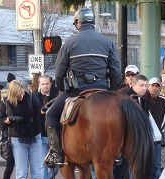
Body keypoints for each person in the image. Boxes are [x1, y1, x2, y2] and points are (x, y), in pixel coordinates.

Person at [45, 7, 122, 167]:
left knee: (51, 114)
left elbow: (59, 72)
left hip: (77, 90)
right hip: (102, 89)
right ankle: (118, 153)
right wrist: (112, 91)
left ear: (78, 23)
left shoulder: (69, 43)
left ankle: (56, 153)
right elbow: (116, 71)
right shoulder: (108, 42)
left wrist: (62, 89)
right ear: (93, 22)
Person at [0, 80, 43, 179]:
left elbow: (39, 110)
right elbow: (1, 120)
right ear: (13, 95)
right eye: (18, 96)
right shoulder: (6, 101)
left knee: (36, 174)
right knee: (21, 174)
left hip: (34, 136)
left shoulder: (30, 96)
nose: (21, 97)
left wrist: (44, 111)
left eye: (22, 93)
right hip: (17, 138)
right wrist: (9, 120)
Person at [34, 74, 58, 179]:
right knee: (44, 163)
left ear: (51, 83)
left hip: (56, 135)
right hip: (42, 135)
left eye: (47, 84)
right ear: (39, 85)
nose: (45, 86)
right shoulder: (35, 97)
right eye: (42, 84)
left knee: (57, 163)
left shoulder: (57, 96)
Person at [144, 77, 165, 179]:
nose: (154, 88)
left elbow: (164, 117)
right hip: (144, 137)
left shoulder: (163, 100)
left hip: (156, 137)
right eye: (153, 85)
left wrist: (159, 130)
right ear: (148, 86)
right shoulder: (143, 98)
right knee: (143, 164)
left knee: (156, 166)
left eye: (157, 86)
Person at [0, 96, 15, 179]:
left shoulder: (26, 99)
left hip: (23, 137)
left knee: (24, 168)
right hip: (10, 138)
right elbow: (0, 120)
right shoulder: (5, 101)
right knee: (10, 165)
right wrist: (6, 121)